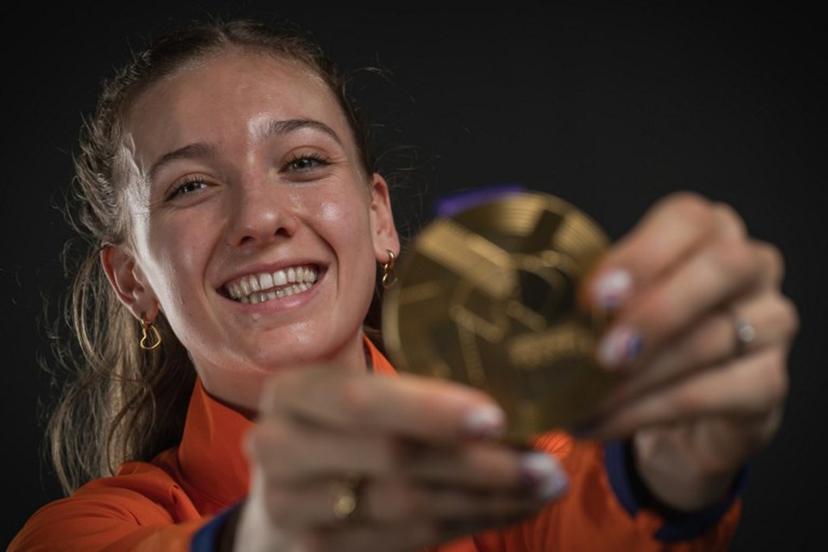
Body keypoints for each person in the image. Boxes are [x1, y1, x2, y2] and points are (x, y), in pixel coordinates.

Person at [10, 17, 798, 552]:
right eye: (189, 187)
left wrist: (674, 466)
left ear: (380, 219)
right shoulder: (84, 531)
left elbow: (611, 515)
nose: (262, 217)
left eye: (305, 163)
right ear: (134, 284)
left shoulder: (526, 463)